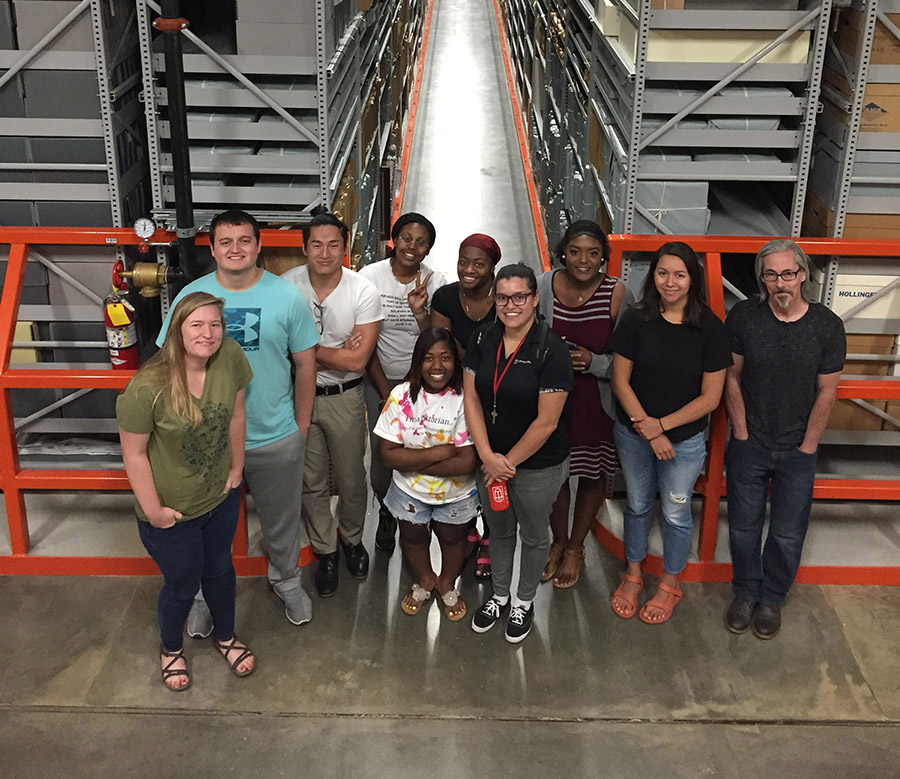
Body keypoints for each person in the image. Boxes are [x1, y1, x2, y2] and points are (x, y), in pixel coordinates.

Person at [157, 209, 319, 630]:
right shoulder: (190, 298)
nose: (235, 249)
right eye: (225, 242)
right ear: (211, 249)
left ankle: (286, 580)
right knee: (202, 526)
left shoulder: (285, 296)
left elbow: (305, 365)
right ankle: (201, 595)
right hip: (206, 440)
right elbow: (168, 365)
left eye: (244, 240)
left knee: (282, 517)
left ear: (258, 245)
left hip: (273, 433)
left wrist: (300, 427)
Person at [117, 292, 255, 690]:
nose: (208, 334)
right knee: (181, 586)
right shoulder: (147, 386)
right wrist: (155, 511)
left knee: (220, 572)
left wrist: (236, 467)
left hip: (220, 498)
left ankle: (226, 637)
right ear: (176, 330)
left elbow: (237, 412)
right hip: (173, 511)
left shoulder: (229, 355)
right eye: (196, 325)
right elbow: (134, 454)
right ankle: (171, 648)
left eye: (215, 324)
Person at [724, 239, 845, 639]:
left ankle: (772, 597)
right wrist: (740, 432)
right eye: (771, 274)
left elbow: (827, 391)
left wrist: (809, 445)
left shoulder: (827, 326)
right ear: (762, 279)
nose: (780, 283)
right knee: (743, 526)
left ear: (803, 275)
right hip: (750, 443)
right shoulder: (743, 317)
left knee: (788, 531)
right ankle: (745, 592)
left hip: (797, 449)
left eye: (788, 274)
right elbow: (732, 377)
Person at [609, 241, 731, 625]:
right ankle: (632, 573)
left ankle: (670, 582)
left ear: (693, 279)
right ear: (653, 276)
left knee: (676, 512)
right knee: (638, 504)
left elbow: (710, 398)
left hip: (684, 442)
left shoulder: (710, 329)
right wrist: (647, 429)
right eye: (663, 273)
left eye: (680, 274)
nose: (670, 282)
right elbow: (620, 381)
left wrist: (660, 427)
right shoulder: (635, 320)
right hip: (634, 434)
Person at [464, 263, 573, 644]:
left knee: (533, 533)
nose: (511, 305)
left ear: (535, 298)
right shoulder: (483, 339)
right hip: (490, 460)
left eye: (520, 297)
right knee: (499, 529)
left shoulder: (551, 349)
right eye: (503, 297)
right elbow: (472, 400)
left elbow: (546, 422)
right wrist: (486, 455)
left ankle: (523, 601)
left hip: (536, 465)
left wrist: (505, 463)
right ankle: (498, 595)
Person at [282, 213, 382, 597]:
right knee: (311, 480)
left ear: (346, 247)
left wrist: (304, 350)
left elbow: (357, 362)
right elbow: (280, 350)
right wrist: (330, 352)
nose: (325, 253)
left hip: (346, 397)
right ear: (305, 247)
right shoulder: (288, 287)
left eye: (334, 245)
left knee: (352, 476)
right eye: (317, 245)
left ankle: (352, 541)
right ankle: (325, 550)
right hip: (298, 396)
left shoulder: (362, 291)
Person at [536, 219, 631, 589]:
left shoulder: (618, 294)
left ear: (604, 258)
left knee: (592, 472)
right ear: (563, 252)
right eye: (575, 251)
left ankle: (576, 547)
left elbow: (627, 358)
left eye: (593, 253)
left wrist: (596, 363)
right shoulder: (544, 285)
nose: (583, 261)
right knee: (555, 474)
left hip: (597, 401)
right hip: (552, 402)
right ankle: (557, 541)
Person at [374, 327, 478, 620]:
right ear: (417, 361)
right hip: (409, 492)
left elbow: (465, 463)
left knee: (453, 539)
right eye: (428, 358)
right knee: (413, 536)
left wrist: (409, 459)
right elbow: (387, 455)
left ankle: (446, 582)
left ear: (456, 362)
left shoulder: (464, 398)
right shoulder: (401, 396)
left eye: (445, 358)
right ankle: (425, 578)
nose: (436, 366)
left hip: (455, 494)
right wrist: (439, 452)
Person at [359, 212, 447, 554]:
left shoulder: (434, 282)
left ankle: (416, 516)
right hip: (379, 379)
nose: (412, 247)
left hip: (423, 383)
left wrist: (419, 311)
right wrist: (386, 394)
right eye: (406, 238)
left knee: (420, 452)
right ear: (394, 239)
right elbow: (366, 344)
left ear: (428, 249)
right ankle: (386, 509)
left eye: (421, 242)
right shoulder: (370, 278)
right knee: (383, 459)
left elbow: (437, 342)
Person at [432, 232, 500, 578]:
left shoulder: (503, 297)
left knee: (490, 462)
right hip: (456, 395)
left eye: (478, 263)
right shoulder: (445, 296)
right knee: (465, 462)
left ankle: (489, 533)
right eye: (463, 261)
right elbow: (441, 348)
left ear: (492, 268)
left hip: (496, 394)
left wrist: (468, 356)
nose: (468, 269)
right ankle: (469, 526)